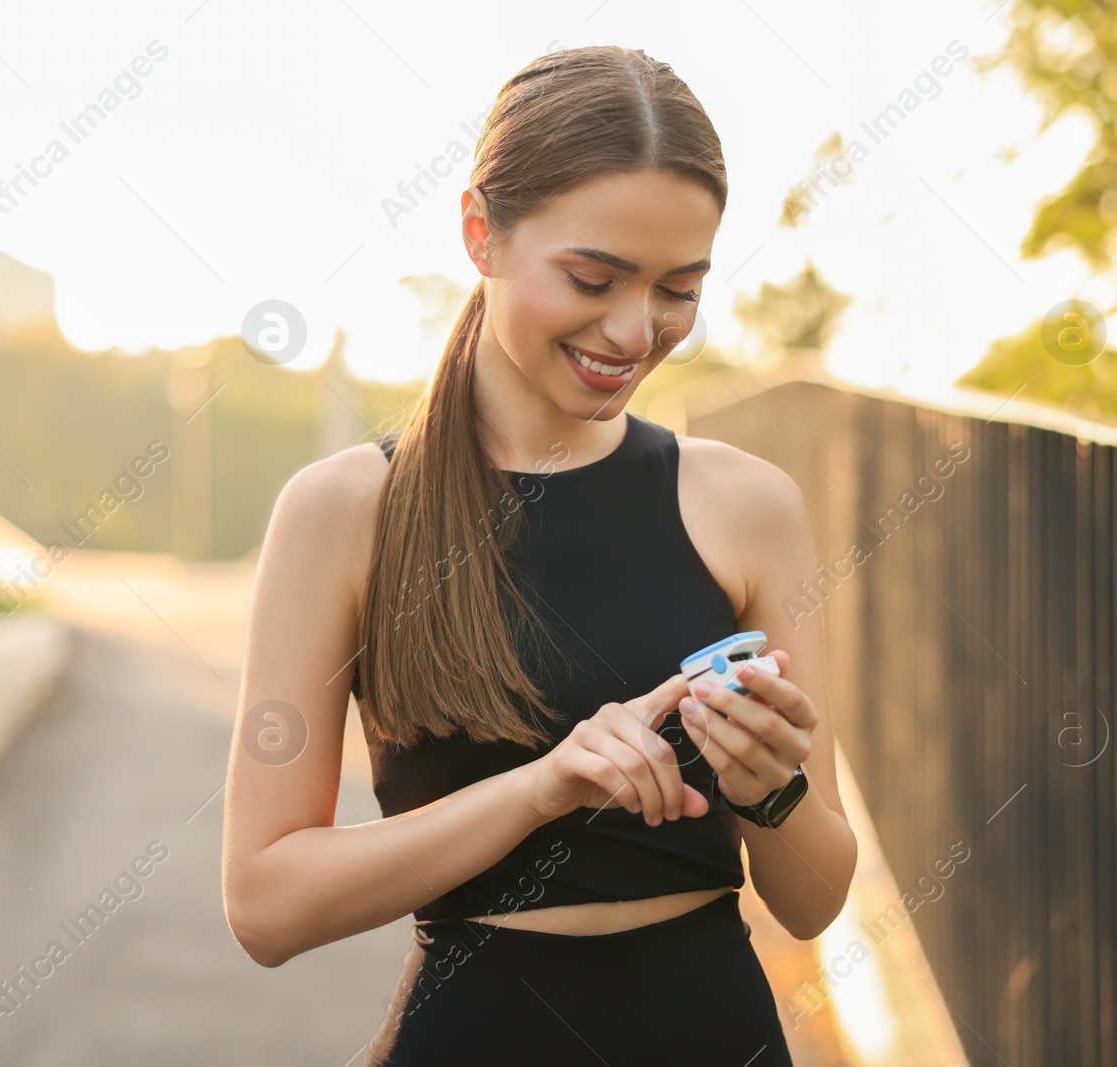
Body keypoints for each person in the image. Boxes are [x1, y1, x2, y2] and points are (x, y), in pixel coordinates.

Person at [222, 43, 857, 1065]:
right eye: (594, 277)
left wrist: (772, 786)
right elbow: (264, 902)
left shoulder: (748, 502)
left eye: (677, 290)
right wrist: (541, 786)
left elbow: (814, 897)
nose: (632, 330)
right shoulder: (342, 511)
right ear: (480, 231)